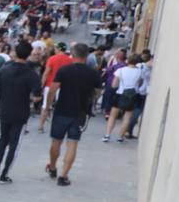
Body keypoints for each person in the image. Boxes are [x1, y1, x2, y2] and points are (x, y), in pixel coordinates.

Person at [0, 41, 42, 183]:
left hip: (5, 111)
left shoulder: (3, 70)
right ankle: (4, 174)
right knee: (14, 144)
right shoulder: (32, 74)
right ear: (29, 54)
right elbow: (37, 97)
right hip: (21, 113)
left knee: (2, 140)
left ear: (15, 52)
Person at [46, 43, 96, 186]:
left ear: (72, 55)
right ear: (86, 56)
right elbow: (97, 92)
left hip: (62, 110)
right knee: (72, 144)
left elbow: (52, 90)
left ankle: (53, 167)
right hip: (80, 112)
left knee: (56, 141)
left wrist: (48, 107)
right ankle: (63, 176)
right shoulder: (92, 73)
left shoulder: (64, 70)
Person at [104, 54, 143, 143]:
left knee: (113, 116)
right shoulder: (140, 72)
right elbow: (140, 83)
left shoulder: (120, 70)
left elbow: (114, 84)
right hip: (133, 95)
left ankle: (107, 135)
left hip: (120, 94)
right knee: (127, 117)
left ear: (128, 60)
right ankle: (120, 137)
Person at [37, 42, 73, 133]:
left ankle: (41, 126)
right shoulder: (70, 60)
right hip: (64, 86)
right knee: (61, 108)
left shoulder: (52, 59)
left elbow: (46, 73)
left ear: (59, 49)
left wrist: (41, 84)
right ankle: (59, 127)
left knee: (45, 106)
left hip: (50, 85)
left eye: (56, 48)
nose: (55, 49)